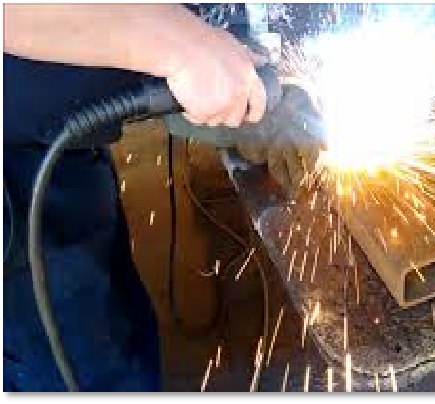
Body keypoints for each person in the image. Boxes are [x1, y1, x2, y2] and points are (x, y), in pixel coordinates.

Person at [3, 3, 323, 392]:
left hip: (54, 133)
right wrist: (178, 44)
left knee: (119, 324)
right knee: (85, 364)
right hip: (14, 178)